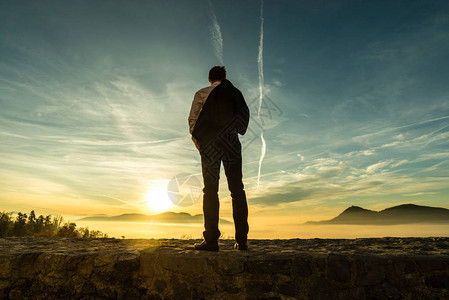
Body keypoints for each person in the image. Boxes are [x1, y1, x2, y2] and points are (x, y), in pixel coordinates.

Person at [188, 66, 250, 251]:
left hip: (210, 145)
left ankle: (212, 240)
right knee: (237, 189)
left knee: (210, 190)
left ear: (209, 79)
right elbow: (244, 118)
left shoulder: (202, 93)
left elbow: (193, 120)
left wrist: (200, 143)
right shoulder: (235, 93)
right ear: (224, 77)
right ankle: (242, 240)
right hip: (231, 143)